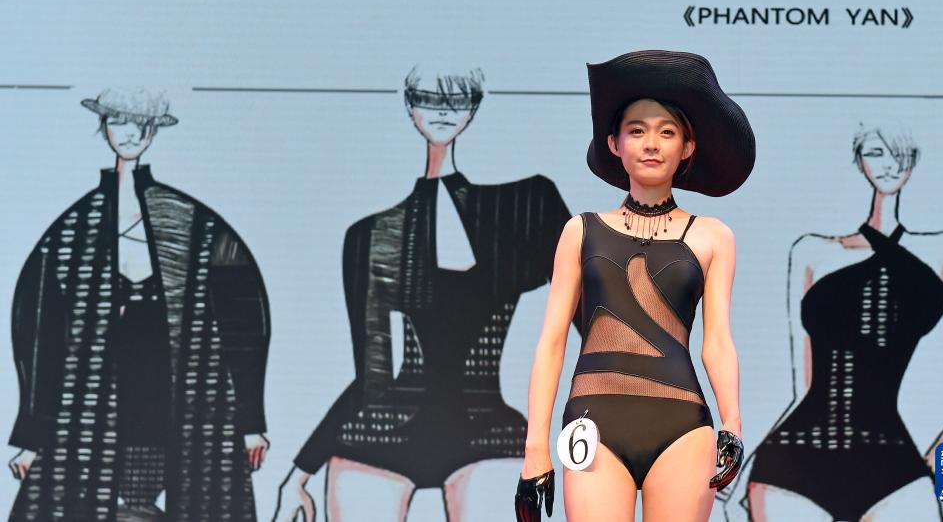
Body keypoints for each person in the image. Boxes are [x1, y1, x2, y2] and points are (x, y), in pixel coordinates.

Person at [273, 66, 573, 522]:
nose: (442, 111)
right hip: (381, 435)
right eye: (428, 98)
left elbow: (593, 321)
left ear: (473, 108)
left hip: (489, 433)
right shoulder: (372, 236)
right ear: (410, 106)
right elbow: (371, 377)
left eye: (456, 100)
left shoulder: (525, 206)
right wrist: (299, 471)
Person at [7, 87, 271, 521]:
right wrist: (32, 434)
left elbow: (243, 320)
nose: (129, 133)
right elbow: (38, 334)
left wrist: (250, 420)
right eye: (118, 121)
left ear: (153, 132)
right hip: (92, 400)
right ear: (104, 126)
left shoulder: (194, 220)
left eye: (140, 124)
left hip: (180, 396)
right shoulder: (73, 227)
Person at [726, 124, 943, 521]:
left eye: (900, 154)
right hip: (792, 463)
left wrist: (938, 466)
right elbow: (802, 389)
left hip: (893, 461)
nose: (890, 165)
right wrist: (740, 470)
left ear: (913, 162)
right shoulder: (811, 252)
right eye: (876, 153)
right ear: (860, 162)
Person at [516, 51, 753, 522]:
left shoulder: (713, 236)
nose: (651, 144)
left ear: (687, 146)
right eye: (637, 130)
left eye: (667, 132)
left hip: (682, 426)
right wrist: (534, 449)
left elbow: (718, 342)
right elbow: (551, 342)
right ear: (614, 143)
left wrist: (732, 423)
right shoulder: (580, 231)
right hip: (594, 423)